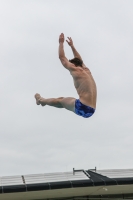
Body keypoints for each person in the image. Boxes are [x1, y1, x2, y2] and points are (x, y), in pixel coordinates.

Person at [35, 33, 97, 118]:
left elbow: (62, 58)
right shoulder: (87, 70)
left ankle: (41, 100)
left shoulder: (75, 69)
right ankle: (43, 101)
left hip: (82, 107)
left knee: (60, 101)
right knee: (61, 99)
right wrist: (72, 46)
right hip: (92, 110)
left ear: (73, 65)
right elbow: (79, 59)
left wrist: (61, 43)